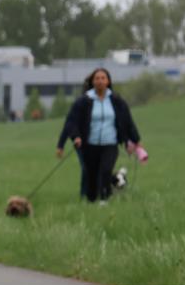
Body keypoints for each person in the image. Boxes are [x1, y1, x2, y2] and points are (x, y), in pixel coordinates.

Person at [57, 68, 141, 204]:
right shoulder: (84, 101)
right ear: (92, 81)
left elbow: (127, 121)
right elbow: (71, 122)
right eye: (97, 78)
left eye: (103, 78)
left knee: (106, 171)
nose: (100, 81)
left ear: (108, 81)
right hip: (90, 144)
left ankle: (104, 200)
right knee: (91, 174)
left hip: (110, 143)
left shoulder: (116, 100)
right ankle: (90, 200)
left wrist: (134, 140)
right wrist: (75, 137)